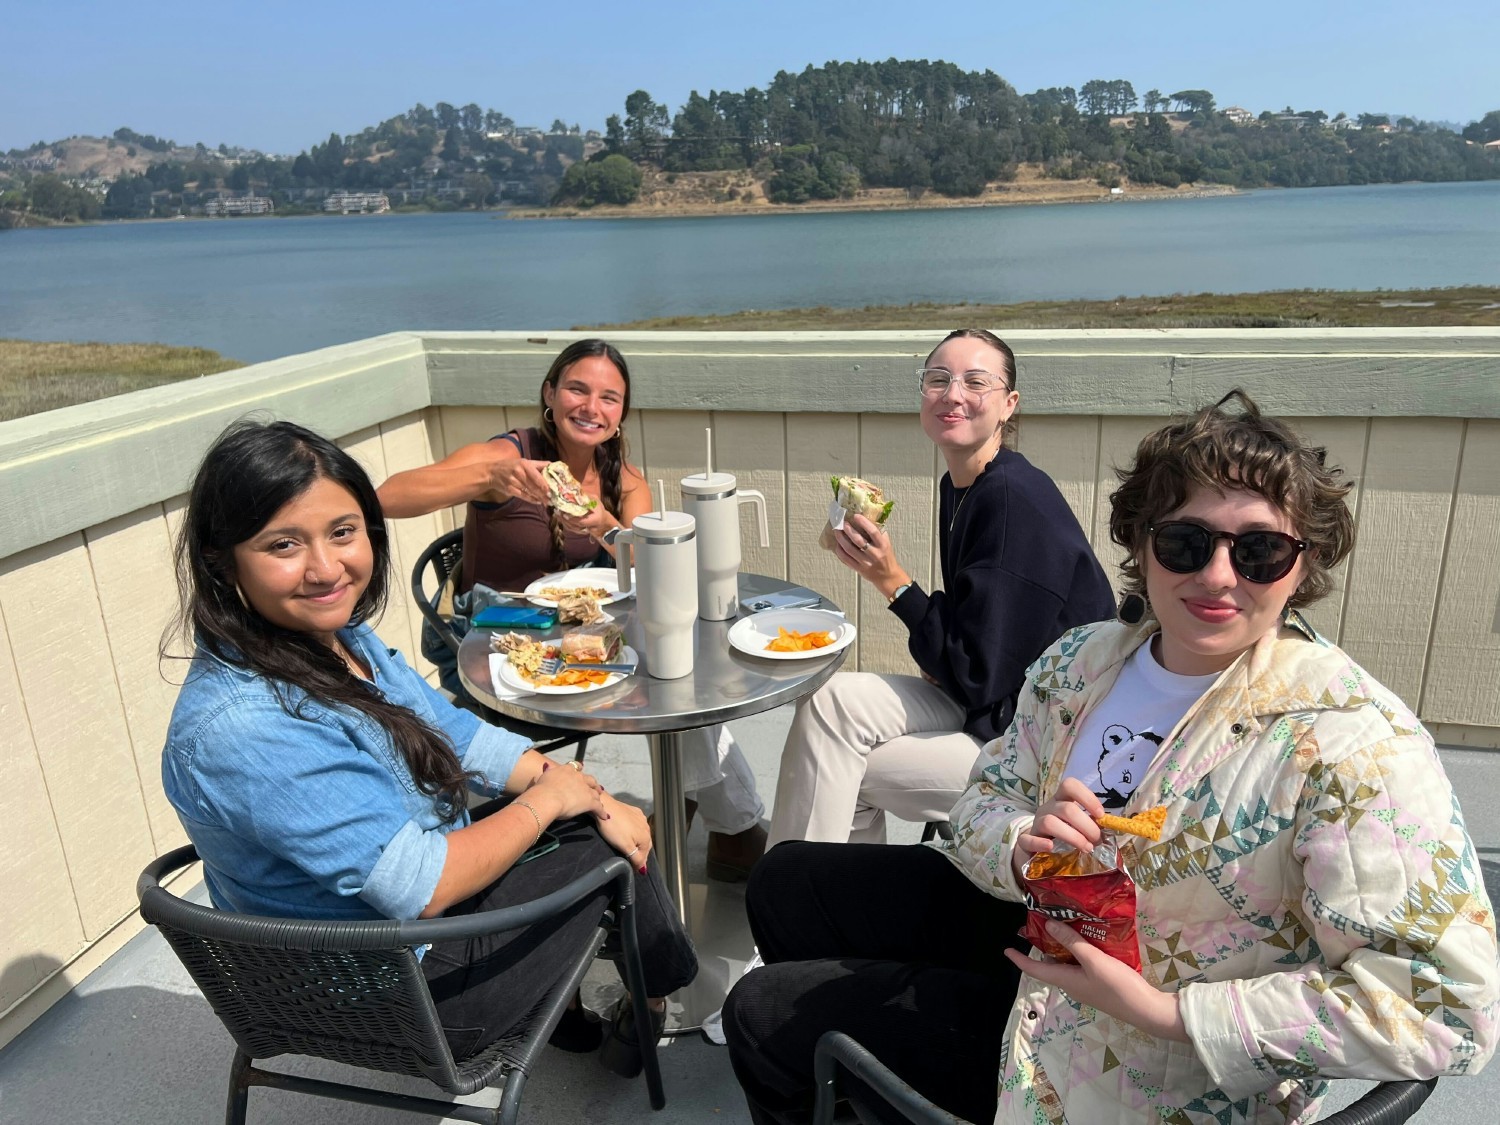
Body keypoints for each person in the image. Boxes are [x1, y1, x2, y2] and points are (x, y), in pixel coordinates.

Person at [724, 391, 1499, 1124]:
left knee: (760, 1013)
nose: (1218, 575)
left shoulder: (1351, 742)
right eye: (1187, 542)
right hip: (1044, 928)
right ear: (1141, 541)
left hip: (1148, 1053)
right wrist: (1024, 846)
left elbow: (1450, 1004)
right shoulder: (1082, 662)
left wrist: (1162, 1010)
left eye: (1260, 550)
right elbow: (981, 799)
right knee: (785, 878)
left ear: (1304, 562)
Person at [161, 419, 697, 1073]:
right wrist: (559, 800)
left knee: (594, 808)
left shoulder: (338, 641)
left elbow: (461, 734)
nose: (327, 567)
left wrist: (571, 785)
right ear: (223, 559)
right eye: (283, 544)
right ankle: (662, 990)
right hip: (398, 994)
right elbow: (423, 885)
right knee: (598, 840)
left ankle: (589, 1004)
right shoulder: (244, 727)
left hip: (408, 939)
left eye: (342, 531)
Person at [378, 338, 767, 881]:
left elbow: (652, 562)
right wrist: (489, 479)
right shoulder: (508, 455)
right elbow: (387, 494)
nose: (591, 407)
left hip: (584, 638)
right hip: (498, 645)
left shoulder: (620, 474)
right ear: (550, 393)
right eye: (578, 389)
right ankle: (727, 829)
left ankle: (719, 825)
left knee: (676, 668)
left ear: (621, 413)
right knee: (670, 676)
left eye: (609, 397)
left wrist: (605, 526)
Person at [767, 328, 1115, 847]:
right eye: (938, 379)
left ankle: (801, 911)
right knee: (828, 701)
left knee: (836, 766)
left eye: (976, 381)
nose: (952, 394)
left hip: (1044, 744)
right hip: (998, 700)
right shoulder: (964, 484)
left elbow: (977, 673)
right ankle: (835, 908)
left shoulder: (1009, 500)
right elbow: (977, 634)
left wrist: (891, 580)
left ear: (1008, 405)